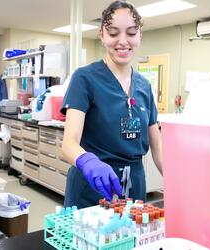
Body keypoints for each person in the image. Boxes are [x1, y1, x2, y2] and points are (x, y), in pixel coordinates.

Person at [61, 0, 163, 209]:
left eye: (131, 33)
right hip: (92, 186)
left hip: (134, 186)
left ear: (140, 35)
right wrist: (89, 162)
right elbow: (68, 143)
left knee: (131, 240)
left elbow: (158, 147)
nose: (123, 41)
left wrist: (179, 183)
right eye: (114, 33)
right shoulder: (85, 78)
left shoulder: (144, 86)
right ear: (102, 35)